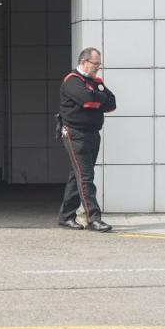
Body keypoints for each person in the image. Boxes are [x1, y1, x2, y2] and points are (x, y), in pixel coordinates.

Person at [57, 47, 116, 232]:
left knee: (78, 176)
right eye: (95, 64)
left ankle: (66, 217)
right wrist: (99, 100)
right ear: (83, 62)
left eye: (99, 64)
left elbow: (112, 103)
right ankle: (93, 219)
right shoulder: (72, 81)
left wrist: (97, 99)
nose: (98, 67)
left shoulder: (95, 81)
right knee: (86, 177)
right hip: (75, 134)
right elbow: (87, 99)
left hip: (92, 134)